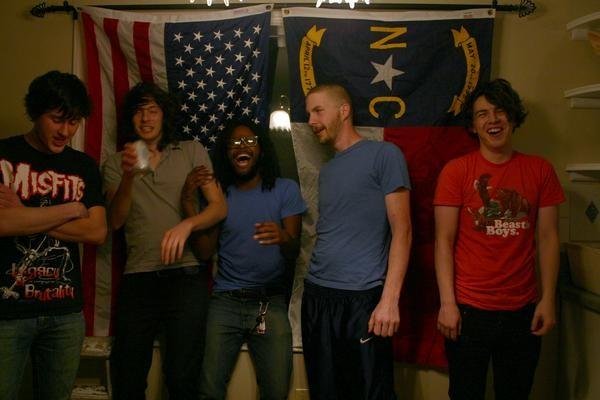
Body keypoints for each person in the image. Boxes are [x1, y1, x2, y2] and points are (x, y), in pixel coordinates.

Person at [433, 78, 565, 400]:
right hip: (469, 310)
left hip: (522, 309)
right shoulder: (456, 171)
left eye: (500, 110)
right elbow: (443, 241)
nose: (493, 119)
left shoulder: (540, 170)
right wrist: (448, 304)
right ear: (473, 125)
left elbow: (548, 238)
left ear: (513, 117)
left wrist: (547, 299)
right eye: (482, 114)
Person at [102, 82, 227, 400]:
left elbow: (219, 207)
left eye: (152, 110)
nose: (146, 118)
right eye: (139, 111)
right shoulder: (116, 163)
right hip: (139, 278)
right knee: (128, 377)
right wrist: (129, 176)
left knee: (182, 378)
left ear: (164, 115)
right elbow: (115, 221)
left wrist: (188, 224)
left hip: (186, 276)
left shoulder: (191, 150)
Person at [0, 70, 107, 400]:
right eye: (57, 120)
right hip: (7, 313)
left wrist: (24, 213)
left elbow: (97, 231)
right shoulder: (4, 156)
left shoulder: (83, 166)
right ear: (36, 112)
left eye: (73, 122)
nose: (65, 131)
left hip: (65, 315)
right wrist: (70, 209)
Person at [302, 83, 412, 400]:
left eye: (318, 111)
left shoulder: (385, 155)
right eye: (308, 114)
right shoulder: (327, 171)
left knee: (370, 393)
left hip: (362, 299)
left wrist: (389, 301)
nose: (311, 121)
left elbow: (403, 231)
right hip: (317, 296)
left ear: (344, 110)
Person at [184, 120, 306, 400]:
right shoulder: (220, 196)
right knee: (208, 390)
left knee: (276, 391)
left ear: (261, 150)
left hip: (270, 302)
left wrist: (283, 237)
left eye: (250, 141)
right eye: (235, 143)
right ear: (227, 153)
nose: (242, 146)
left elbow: (294, 250)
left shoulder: (285, 189)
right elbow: (204, 252)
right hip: (225, 302)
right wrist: (188, 201)